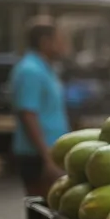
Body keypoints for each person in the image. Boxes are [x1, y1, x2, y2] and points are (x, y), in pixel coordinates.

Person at [10, 18, 70, 197]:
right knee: (43, 206)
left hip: (50, 151)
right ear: (45, 42)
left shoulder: (45, 68)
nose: (63, 45)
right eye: (59, 40)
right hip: (37, 154)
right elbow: (28, 114)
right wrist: (47, 157)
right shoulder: (30, 70)